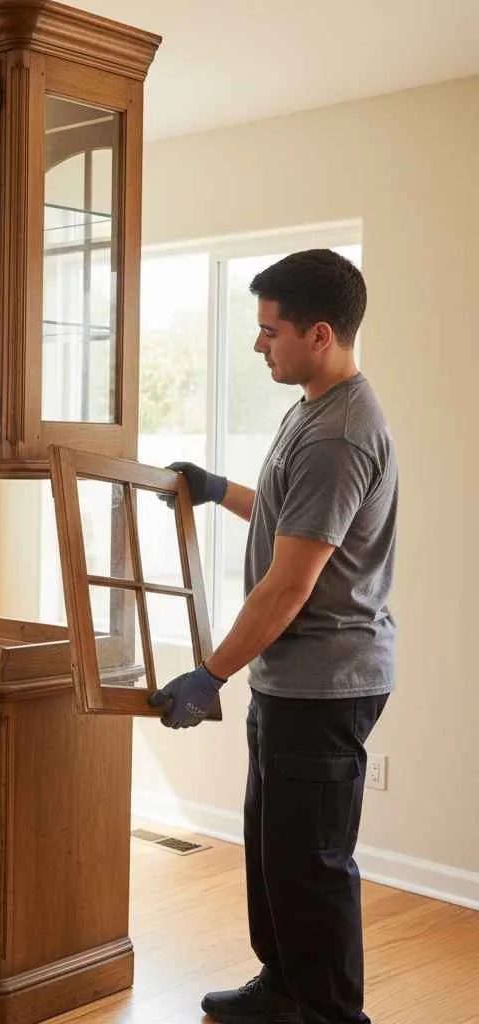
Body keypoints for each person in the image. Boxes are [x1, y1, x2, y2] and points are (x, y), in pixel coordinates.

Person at [149, 249, 397, 1024]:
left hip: (327, 682)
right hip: (294, 679)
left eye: (270, 332)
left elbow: (290, 584)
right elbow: (294, 516)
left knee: (312, 868)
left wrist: (211, 673)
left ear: (319, 334)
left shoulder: (339, 434)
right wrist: (222, 490)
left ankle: (328, 1015)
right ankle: (285, 990)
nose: (260, 346)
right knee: (274, 854)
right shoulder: (315, 407)